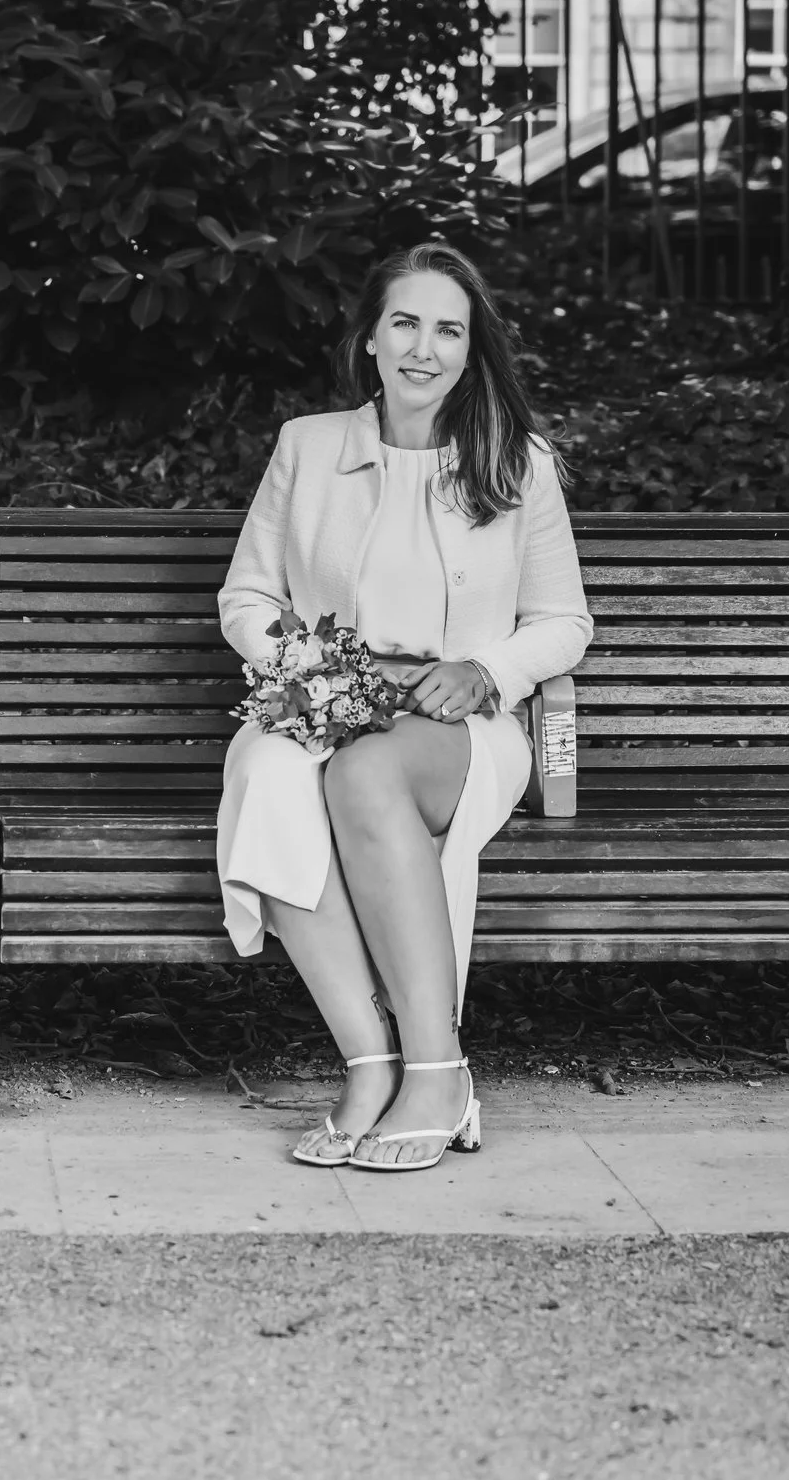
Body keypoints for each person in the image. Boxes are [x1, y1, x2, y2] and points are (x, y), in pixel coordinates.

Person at [216, 243, 590, 1173]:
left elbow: (563, 621)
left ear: (472, 350)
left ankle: (438, 1067)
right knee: (268, 778)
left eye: (448, 329)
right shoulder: (308, 447)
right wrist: (311, 672)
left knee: (370, 768)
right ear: (372, 341)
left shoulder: (517, 460)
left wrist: (488, 670)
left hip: (456, 726)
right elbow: (247, 599)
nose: (425, 348)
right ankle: (371, 1063)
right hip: (327, 697)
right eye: (406, 323)